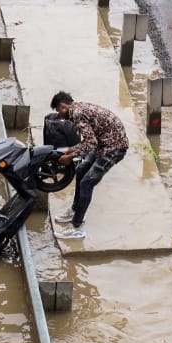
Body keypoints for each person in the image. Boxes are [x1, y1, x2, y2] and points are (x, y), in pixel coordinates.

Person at [49, 91, 129, 239]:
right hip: (103, 144)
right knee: (80, 170)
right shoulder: (78, 107)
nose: (59, 115)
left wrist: (71, 156)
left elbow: (90, 143)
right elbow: (91, 140)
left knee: (87, 182)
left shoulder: (77, 113)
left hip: (113, 148)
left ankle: (77, 227)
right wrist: (71, 150)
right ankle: (75, 210)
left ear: (63, 106)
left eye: (58, 110)